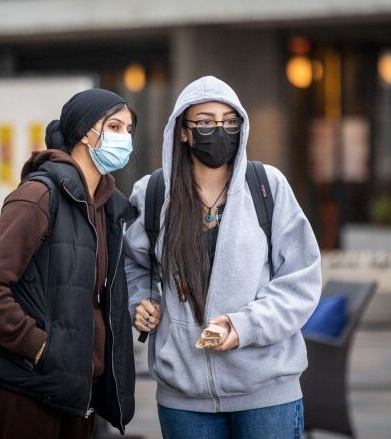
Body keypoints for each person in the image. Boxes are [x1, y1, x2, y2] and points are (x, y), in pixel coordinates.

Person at [124, 76, 322, 439]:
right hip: (184, 400)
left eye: (230, 122)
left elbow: (301, 279)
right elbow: (133, 265)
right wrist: (140, 301)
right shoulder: (152, 193)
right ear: (183, 131)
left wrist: (243, 326)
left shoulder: (267, 187)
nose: (219, 131)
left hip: (267, 397)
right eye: (205, 122)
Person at [0, 89, 138, 438]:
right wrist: (40, 347)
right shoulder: (38, 195)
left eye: (129, 129)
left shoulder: (106, 207)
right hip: (26, 389)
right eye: (115, 127)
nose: (126, 138)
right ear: (85, 133)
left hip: (77, 389)